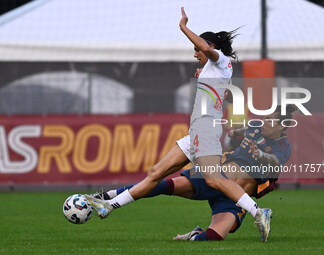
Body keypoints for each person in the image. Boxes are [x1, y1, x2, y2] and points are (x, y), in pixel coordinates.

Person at [86, 7, 272, 242]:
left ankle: (258, 212)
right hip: (195, 132)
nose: (196, 53)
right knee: (155, 173)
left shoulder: (220, 59)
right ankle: (110, 205)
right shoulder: (213, 68)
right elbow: (214, 77)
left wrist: (184, 27)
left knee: (214, 180)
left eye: (197, 49)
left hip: (205, 130)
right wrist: (202, 74)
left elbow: (206, 49)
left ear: (211, 47)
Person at [86, 105, 297, 242]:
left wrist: (257, 152)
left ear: (283, 126)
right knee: (163, 185)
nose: (265, 122)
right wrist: (237, 133)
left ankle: (194, 236)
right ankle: (107, 197)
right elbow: (235, 132)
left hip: (235, 199)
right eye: (265, 117)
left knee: (214, 237)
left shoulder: (283, 147)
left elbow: (273, 161)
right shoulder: (255, 127)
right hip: (216, 177)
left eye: (271, 120)